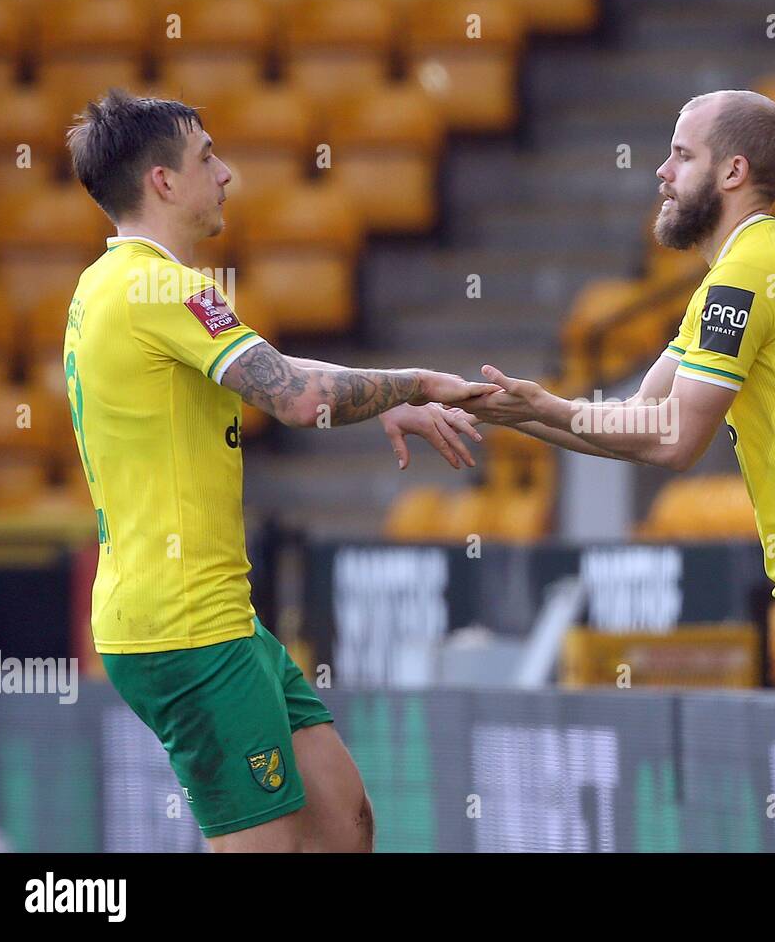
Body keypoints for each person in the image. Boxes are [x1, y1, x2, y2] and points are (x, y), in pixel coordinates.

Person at [434, 90, 775, 852]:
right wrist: (533, 411)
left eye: (682, 154)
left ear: (733, 170)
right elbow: (641, 416)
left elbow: (671, 442)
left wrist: (547, 408)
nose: (661, 172)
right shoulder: (743, 272)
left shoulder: (750, 274)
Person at [63, 89, 495, 852]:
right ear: (162, 181)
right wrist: (420, 383)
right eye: (206, 158)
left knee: (345, 823)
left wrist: (378, 401)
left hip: (217, 618)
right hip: (185, 629)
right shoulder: (162, 287)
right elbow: (296, 397)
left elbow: (283, 372)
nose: (226, 173)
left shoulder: (116, 284)